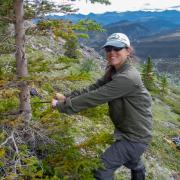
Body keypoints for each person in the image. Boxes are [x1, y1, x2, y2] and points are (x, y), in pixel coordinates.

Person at [51, 33, 152, 180]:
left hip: (134, 138)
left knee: (101, 170)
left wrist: (62, 106)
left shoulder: (127, 77)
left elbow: (96, 97)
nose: (112, 52)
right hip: (129, 132)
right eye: (109, 48)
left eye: (117, 48)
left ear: (128, 50)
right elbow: (93, 88)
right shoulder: (115, 71)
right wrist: (68, 97)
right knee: (133, 161)